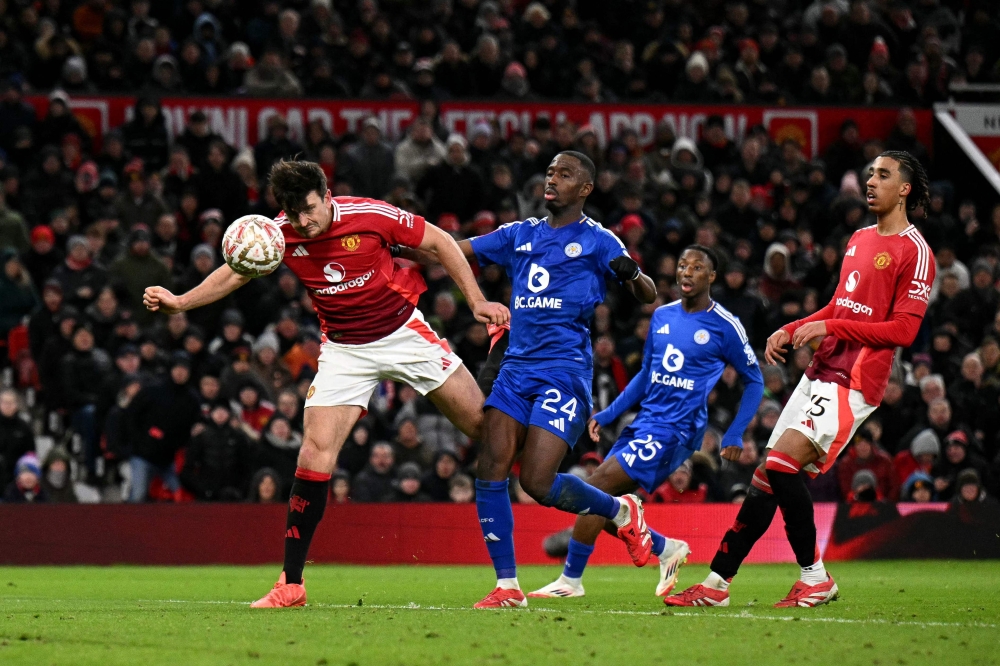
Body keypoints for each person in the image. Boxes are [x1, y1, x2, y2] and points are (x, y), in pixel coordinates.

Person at [142, 159, 508, 608]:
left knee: (485, 428)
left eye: (310, 209)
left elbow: (440, 241)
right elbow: (236, 270)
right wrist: (181, 302)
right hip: (344, 350)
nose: (303, 221)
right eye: (294, 213)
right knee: (313, 454)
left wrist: (477, 301)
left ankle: (510, 370)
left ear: (327, 196)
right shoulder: (280, 232)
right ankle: (291, 583)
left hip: (402, 334)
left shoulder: (371, 215)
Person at [668, 151, 935, 609]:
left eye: (883, 175)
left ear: (905, 190)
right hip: (822, 369)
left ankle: (815, 578)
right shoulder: (860, 238)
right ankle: (716, 584)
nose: (871, 181)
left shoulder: (916, 251)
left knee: (780, 465)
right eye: (870, 173)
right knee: (765, 476)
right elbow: (840, 305)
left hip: (855, 378)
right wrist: (795, 327)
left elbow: (903, 331)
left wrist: (829, 327)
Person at [457, 151, 657, 609]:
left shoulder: (599, 240)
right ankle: (508, 586)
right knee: (490, 467)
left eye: (564, 175)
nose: (552, 180)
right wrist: (401, 241)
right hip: (515, 369)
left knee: (537, 483)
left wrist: (632, 273)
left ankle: (619, 509)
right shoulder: (520, 233)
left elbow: (647, 293)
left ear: (585, 188)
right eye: (550, 172)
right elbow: (456, 248)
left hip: (564, 373)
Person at [529, 246, 763, 599]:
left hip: (678, 428)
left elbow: (755, 380)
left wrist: (734, 432)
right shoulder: (663, 315)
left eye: (697, 267)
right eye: (682, 265)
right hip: (646, 420)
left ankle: (571, 580)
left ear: (712, 276)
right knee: (602, 498)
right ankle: (665, 548)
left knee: (598, 484)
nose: (687, 272)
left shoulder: (724, 325)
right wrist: (609, 413)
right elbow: (646, 375)